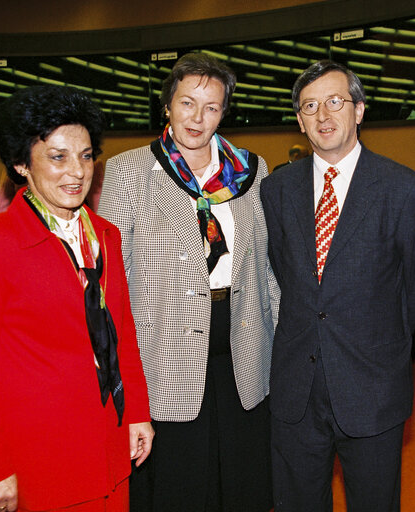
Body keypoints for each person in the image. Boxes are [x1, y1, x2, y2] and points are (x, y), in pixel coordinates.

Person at [0, 85, 154, 512]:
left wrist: (137, 411)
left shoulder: (107, 236)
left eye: (84, 155)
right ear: (22, 163)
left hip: (109, 441)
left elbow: (123, 335)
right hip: (41, 454)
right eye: (57, 156)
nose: (76, 172)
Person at [260, 60, 415, 511]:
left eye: (335, 102)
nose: (323, 115)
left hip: (372, 386)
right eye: (310, 106)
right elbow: (280, 270)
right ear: (300, 120)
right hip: (295, 387)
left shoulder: (402, 188)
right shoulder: (275, 189)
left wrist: (381, 336)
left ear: (358, 110)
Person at [98, 53, 279, 511]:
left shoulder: (253, 172)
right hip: (164, 353)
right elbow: (110, 276)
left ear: (224, 112)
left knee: (243, 482)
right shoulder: (128, 171)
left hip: (243, 347)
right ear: (167, 106)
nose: (198, 118)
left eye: (212, 107)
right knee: (179, 486)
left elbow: (268, 270)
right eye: (187, 103)